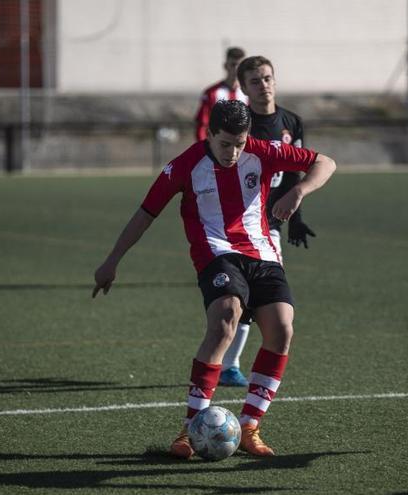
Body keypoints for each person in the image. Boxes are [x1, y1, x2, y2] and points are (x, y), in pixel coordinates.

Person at [93, 100, 336, 458]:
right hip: (216, 253)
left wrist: (298, 191)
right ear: (210, 134)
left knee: (282, 328)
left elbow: (325, 162)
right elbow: (145, 214)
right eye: (225, 144)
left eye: (240, 143)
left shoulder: (261, 151)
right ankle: (191, 429)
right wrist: (112, 260)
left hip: (263, 253)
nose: (234, 152)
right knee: (225, 320)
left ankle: (250, 427)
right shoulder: (186, 165)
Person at [217, 55, 317, 387]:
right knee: (245, 295)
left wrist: (297, 216)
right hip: (239, 225)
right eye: (256, 81)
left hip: (270, 225)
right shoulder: (240, 126)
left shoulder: (291, 122)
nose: (264, 86)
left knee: (264, 296)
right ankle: (229, 364)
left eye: (268, 78)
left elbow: (295, 173)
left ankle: (232, 365)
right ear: (243, 88)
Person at [194, 46, 249, 142]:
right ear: (225, 66)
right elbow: (202, 125)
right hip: (217, 150)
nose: (236, 69)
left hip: (244, 150)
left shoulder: (249, 92)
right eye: (233, 64)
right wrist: (203, 148)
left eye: (240, 65)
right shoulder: (211, 93)